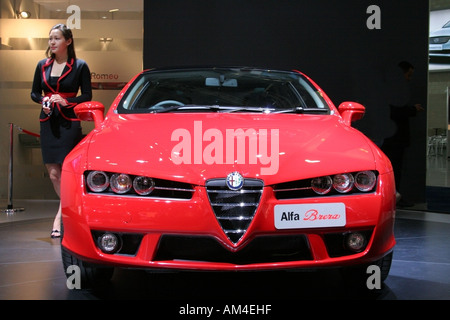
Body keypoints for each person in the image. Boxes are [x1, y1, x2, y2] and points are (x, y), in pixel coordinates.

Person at [31, 24, 92, 238]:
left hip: (68, 122)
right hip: (48, 121)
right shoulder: (42, 65)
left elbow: (86, 96)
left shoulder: (79, 66)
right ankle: (67, 210)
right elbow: (34, 93)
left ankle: (59, 217)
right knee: (53, 173)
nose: (53, 42)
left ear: (68, 41)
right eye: (50, 39)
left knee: (66, 173)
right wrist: (44, 100)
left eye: (57, 38)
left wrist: (67, 101)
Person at [381, 61, 424, 207]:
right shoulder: (393, 91)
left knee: (395, 167)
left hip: (394, 137)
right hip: (394, 138)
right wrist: (412, 110)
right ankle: (394, 196)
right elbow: (394, 111)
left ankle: (395, 195)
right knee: (394, 168)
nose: (408, 78)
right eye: (408, 75)